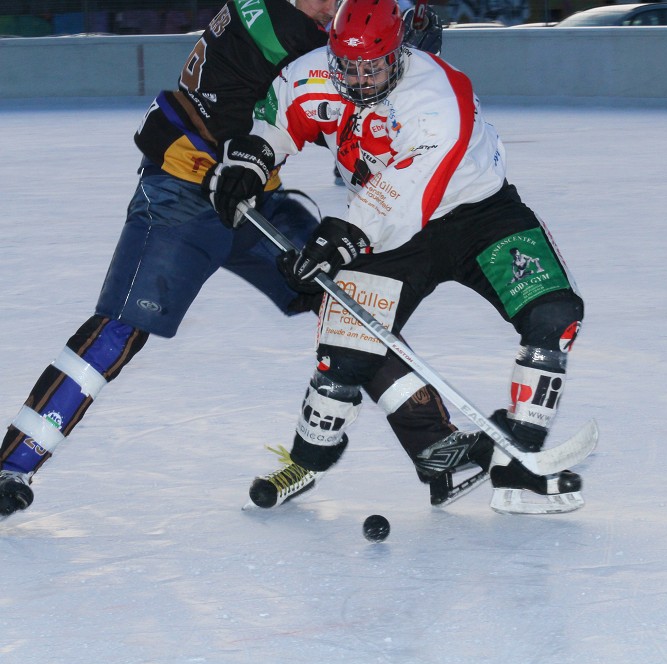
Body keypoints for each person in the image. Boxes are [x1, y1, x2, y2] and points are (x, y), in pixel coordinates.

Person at [0, 0, 480, 518]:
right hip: (184, 197)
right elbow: (347, 90)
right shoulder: (291, 35)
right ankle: (13, 465)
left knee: (348, 306)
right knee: (120, 328)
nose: (341, 12)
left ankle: (435, 447)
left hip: (253, 194)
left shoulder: (280, 21)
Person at [207, 0, 586, 514]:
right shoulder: (311, 74)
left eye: (373, 68)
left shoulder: (438, 95)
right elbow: (277, 120)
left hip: (476, 212)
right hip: (386, 228)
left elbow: (408, 191)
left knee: (552, 314)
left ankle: (519, 459)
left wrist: (341, 238)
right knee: (347, 348)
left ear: (398, 53)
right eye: (348, 67)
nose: (359, 81)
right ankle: (315, 460)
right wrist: (250, 163)